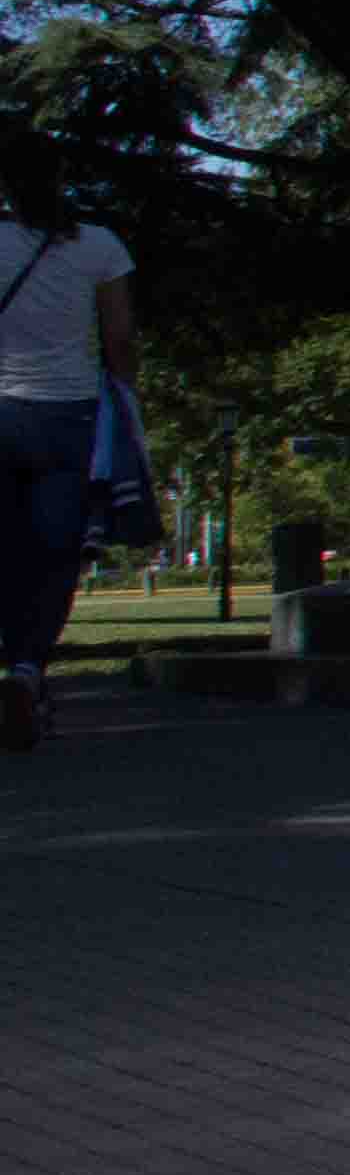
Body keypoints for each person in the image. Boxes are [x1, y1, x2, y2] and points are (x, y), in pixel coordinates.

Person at [0, 173, 137, 754]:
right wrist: (126, 401)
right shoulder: (100, 245)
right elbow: (120, 337)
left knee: (9, 553)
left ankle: (18, 671)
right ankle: (28, 671)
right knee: (56, 556)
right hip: (70, 418)